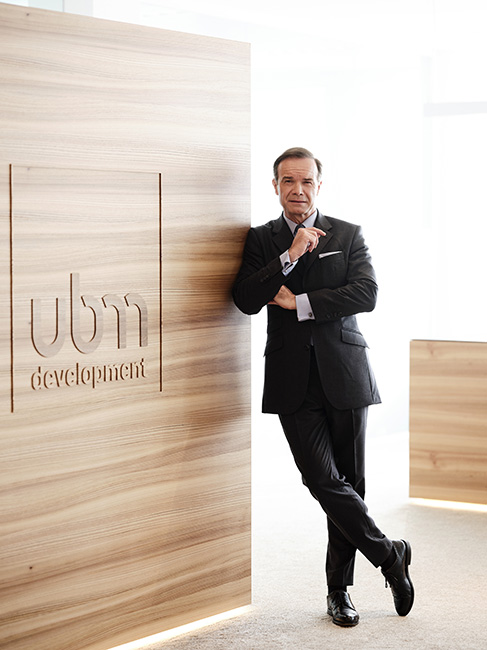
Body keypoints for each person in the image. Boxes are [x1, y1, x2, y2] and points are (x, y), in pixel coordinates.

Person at [232, 147, 414, 627]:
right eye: (288, 181)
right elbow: (246, 298)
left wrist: (301, 303)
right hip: (291, 378)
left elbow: (366, 293)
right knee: (321, 480)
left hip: (346, 372)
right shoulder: (262, 239)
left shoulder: (348, 234)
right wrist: (288, 257)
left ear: (319, 185)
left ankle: (339, 591)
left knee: (350, 482)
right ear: (275, 186)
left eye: (306, 181)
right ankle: (390, 555)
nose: (298, 190)